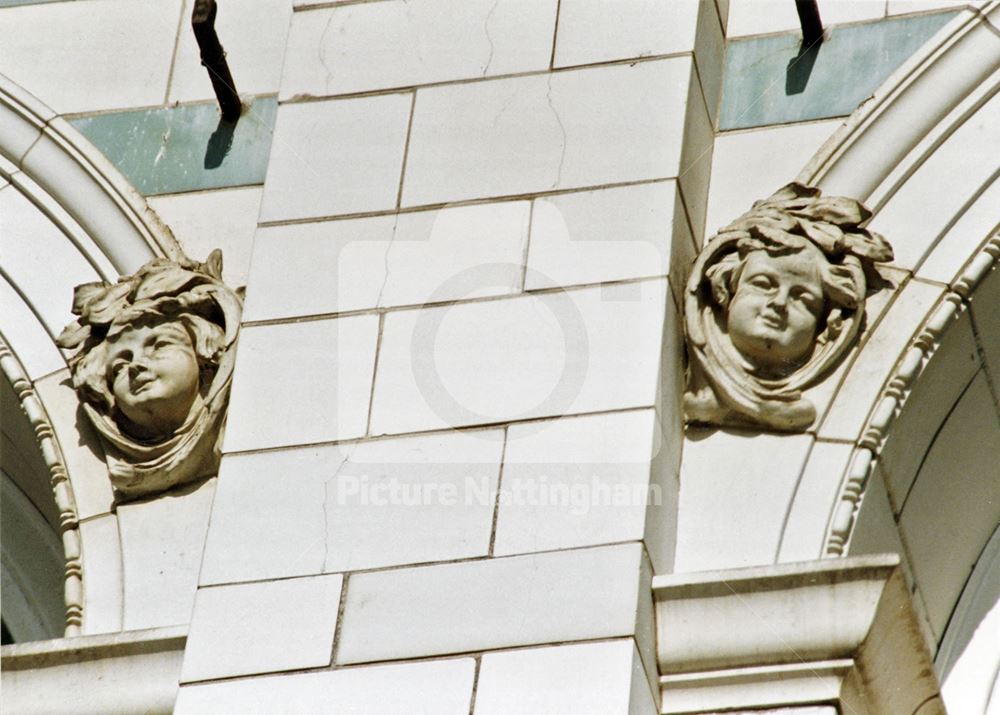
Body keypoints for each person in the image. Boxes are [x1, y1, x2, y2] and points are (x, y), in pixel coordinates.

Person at [57, 250, 241, 500]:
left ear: (204, 353)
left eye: (159, 346)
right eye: (119, 366)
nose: (135, 366)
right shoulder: (123, 469)